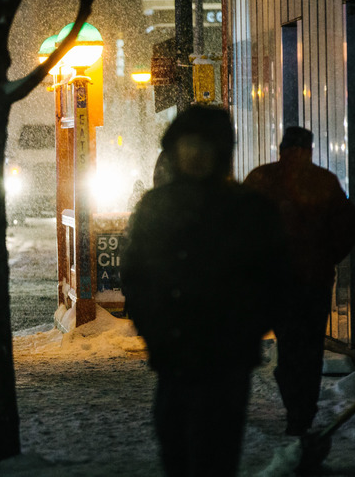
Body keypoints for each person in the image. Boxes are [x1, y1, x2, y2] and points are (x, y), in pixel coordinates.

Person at [121, 105, 289, 477]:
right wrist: (156, 329)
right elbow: (136, 274)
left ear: (222, 152)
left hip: (226, 358)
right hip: (174, 354)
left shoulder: (247, 210)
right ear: (175, 150)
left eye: (206, 146)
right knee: (175, 448)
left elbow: (274, 278)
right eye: (188, 145)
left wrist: (243, 328)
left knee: (216, 455)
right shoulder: (156, 208)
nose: (196, 154)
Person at [243, 126, 355, 436]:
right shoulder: (324, 182)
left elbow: (241, 229)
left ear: (281, 148)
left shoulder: (261, 179)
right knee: (310, 350)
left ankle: (295, 403)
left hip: (277, 283)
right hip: (314, 283)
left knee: (290, 346)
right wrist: (326, 257)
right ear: (310, 149)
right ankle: (302, 413)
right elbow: (348, 227)